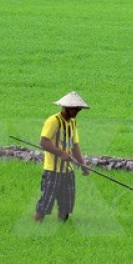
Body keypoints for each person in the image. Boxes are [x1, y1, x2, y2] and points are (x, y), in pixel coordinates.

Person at [34, 91, 91, 222]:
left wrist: (83, 165)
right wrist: (61, 153)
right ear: (67, 107)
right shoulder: (53, 121)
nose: (77, 112)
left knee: (66, 205)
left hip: (68, 170)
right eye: (75, 109)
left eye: (79, 109)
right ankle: (35, 225)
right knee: (45, 203)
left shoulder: (72, 123)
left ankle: (62, 226)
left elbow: (75, 145)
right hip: (53, 170)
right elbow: (43, 141)